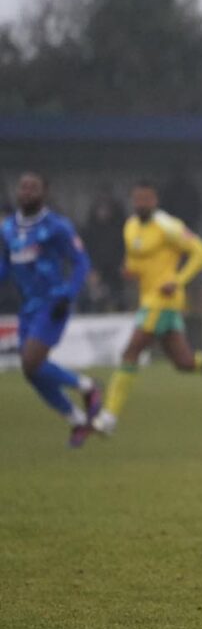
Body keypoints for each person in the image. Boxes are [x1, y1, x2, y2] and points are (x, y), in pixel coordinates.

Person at [90, 180, 202, 437]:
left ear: (155, 201)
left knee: (131, 351)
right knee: (184, 362)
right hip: (149, 298)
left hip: (163, 301)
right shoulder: (130, 227)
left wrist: (178, 280)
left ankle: (108, 417)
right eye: (137, 199)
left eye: (146, 199)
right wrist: (131, 271)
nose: (141, 203)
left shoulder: (168, 226)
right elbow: (136, 261)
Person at [0, 172, 103, 447]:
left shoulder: (58, 226)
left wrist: (68, 295)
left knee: (31, 362)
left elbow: (81, 262)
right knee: (32, 373)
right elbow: (5, 267)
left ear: (45, 192)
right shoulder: (7, 228)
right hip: (28, 307)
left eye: (33, 187)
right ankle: (78, 420)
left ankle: (88, 386)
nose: (27, 192)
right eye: (23, 187)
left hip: (53, 303)